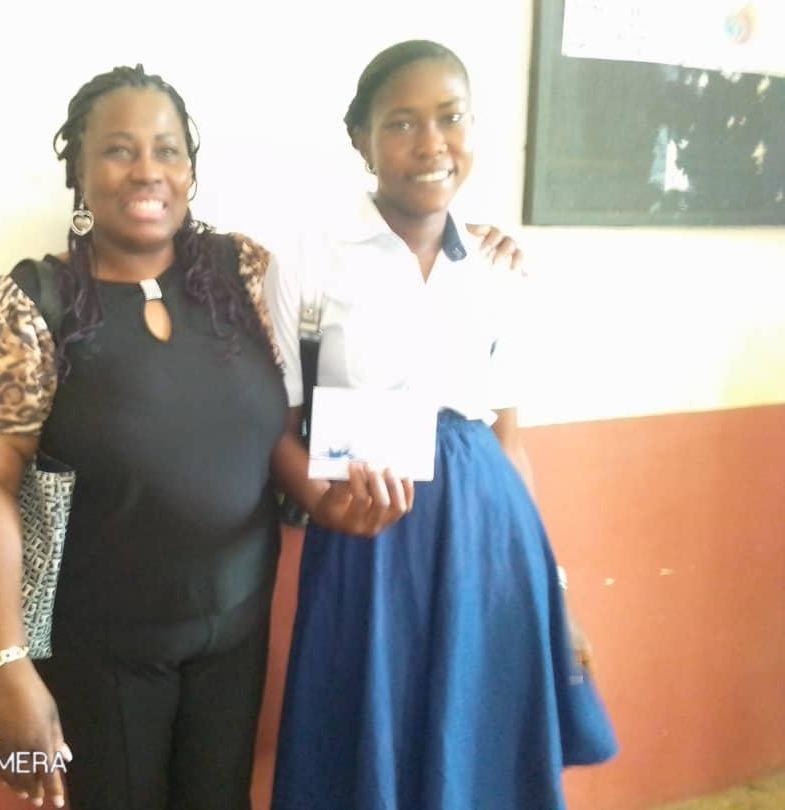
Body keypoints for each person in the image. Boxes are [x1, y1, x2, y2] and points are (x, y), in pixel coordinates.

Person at [0, 63, 523, 810]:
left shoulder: (240, 272)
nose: (147, 170)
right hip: (103, 649)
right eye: (117, 151)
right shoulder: (30, 305)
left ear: (191, 168)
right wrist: (2, 665)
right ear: (77, 170)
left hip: (235, 636)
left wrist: (465, 242)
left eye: (168, 150)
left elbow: (278, 420)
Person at [265, 40, 618, 810]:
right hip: (365, 531)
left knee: (480, 743)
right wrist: (327, 507)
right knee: (365, 738)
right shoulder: (310, 258)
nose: (431, 143)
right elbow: (278, 428)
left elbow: (508, 440)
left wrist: (555, 590)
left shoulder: (496, 266)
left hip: (488, 538)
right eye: (401, 123)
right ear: (360, 139)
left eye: (451, 118)